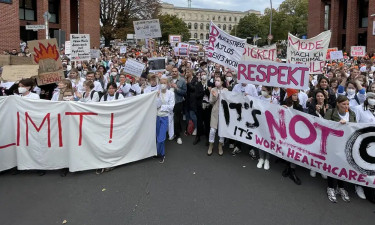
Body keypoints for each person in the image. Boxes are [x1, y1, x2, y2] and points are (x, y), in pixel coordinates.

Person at [324, 95, 354, 203]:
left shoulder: (351, 113)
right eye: (343, 104)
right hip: (333, 144)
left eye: (347, 104)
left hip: (346, 145)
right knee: (333, 165)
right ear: (338, 104)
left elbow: (355, 127)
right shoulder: (331, 112)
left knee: (343, 166)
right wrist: (338, 125)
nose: (346, 106)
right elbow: (325, 125)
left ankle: (341, 187)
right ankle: (331, 187)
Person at [352, 92, 375, 200]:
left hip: (373, 142)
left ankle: (369, 186)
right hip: (362, 140)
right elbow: (353, 124)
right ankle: (358, 185)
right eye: (371, 97)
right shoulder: (358, 108)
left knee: (370, 166)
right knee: (361, 164)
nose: (373, 99)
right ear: (366, 98)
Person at [281, 89, 302, 185]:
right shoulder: (284, 103)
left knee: (294, 149)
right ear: (289, 96)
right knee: (286, 147)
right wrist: (281, 108)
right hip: (285, 130)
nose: (296, 97)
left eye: (296, 95)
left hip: (296, 132)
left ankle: (292, 170)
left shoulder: (299, 107)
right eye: (293, 95)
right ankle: (287, 166)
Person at [256, 86, 278, 170]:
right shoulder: (259, 98)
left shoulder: (274, 100)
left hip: (270, 124)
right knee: (260, 139)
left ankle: (267, 159)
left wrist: (272, 106)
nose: (262, 91)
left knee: (268, 140)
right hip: (260, 122)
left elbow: (276, 112)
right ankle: (261, 158)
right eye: (262, 90)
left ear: (269, 91)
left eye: (264, 90)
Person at [156, 78, 175, 163]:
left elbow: (171, 107)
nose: (163, 84)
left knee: (162, 137)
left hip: (165, 117)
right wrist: (157, 97)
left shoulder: (171, 93)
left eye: (164, 83)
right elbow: (156, 105)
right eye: (161, 83)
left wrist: (162, 107)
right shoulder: (157, 93)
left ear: (167, 84)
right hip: (157, 117)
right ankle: (158, 153)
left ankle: (162, 154)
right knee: (157, 136)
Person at [207, 76, 227, 156]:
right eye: (216, 80)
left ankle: (220, 145)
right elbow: (210, 102)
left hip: (224, 113)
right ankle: (211, 145)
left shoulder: (226, 90)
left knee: (222, 131)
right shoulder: (213, 89)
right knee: (212, 130)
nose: (216, 82)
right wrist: (215, 96)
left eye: (218, 80)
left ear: (222, 82)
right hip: (215, 112)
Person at [169, 66, 187, 145]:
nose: (174, 72)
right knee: (170, 119)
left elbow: (184, 92)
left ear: (178, 72)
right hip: (169, 103)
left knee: (176, 119)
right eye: (173, 71)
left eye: (175, 71)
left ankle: (178, 136)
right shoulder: (168, 80)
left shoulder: (182, 81)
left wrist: (176, 88)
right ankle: (171, 133)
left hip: (178, 102)